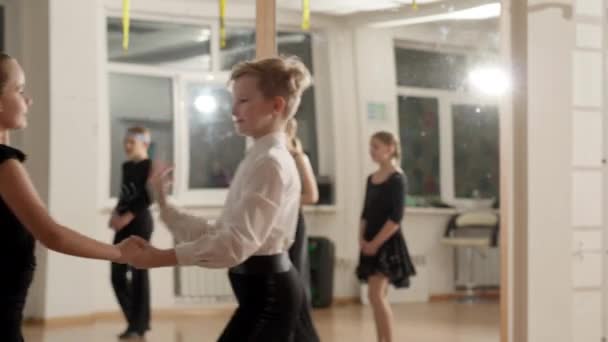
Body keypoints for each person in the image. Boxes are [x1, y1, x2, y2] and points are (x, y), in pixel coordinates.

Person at [126, 56, 312, 342]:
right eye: (234, 100)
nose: (233, 109)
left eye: (244, 101)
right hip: (260, 297)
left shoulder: (270, 162)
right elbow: (222, 232)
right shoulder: (258, 157)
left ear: (276, 106)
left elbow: (234, 244)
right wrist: (163, 202)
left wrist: (160, 258)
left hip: (271, 299)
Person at [0, 53, 142, 342]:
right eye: (19, 89)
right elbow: (54, 236)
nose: (29, 100)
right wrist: (122, 253)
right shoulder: (3, 164)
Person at [356, 131, 416, 342]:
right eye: (370, 147)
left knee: (375, 296)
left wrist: (375, 243)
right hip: (370, 241)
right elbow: (365, 213)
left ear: (390, 148)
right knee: (377, 298)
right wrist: (362, 239)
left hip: (387, 243)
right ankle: (380, 338)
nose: (372, 151)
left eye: (376, 147)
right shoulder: (371, 179)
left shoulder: (397, 179)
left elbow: (396, 217)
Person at [109, 126, 154, 339]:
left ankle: (139, 326)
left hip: (140, 224)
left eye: (131, 142)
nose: (126, 146)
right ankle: (134, 323)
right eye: (125, 142)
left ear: (144, 144)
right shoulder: (126, 166)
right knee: (116, 275)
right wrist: (115, 214)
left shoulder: (150, 166)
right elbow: (125, 194)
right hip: (123, 224)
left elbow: (146, 197)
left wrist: (125, 218)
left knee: (139, 275)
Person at [285, 118, 320, 342]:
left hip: (292, 225)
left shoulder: (299, 158)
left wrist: (283, 201)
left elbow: (312, 195)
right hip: (274, 226)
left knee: (294, 281)